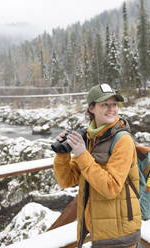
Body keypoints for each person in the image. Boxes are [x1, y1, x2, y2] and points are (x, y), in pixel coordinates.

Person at [53, 83, 141, 248]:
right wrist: (62, 154)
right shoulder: (90, 138)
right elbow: (66, 180)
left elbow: (111, 188)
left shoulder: (123, 140)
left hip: (120, 235)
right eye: (104, 104)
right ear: (91, 108)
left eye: (114, 104)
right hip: (96, 231)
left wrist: (81, 154)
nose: (111, 109)